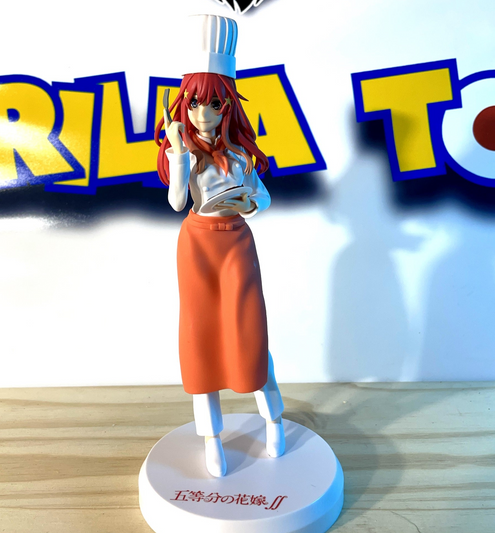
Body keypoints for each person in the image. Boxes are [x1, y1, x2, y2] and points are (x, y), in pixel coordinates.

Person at [155, 14, 284, 478]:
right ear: (182, 106)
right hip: (196, 246)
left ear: (228, 106)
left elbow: (262, 198)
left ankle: (274, 420)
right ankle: (211, 437)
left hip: (236, 246)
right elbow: (176, 203)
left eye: (212, 104)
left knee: (250, 331)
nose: (202, 115)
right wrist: (177, 154)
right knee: (200, 337)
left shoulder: (239, 154)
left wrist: (250, 202)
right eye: (194, 104)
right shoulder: (185, 154)